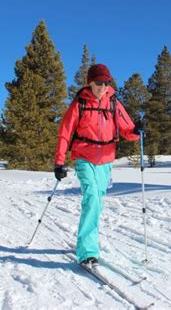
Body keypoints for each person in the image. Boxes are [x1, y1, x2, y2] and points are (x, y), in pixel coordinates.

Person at [54, 64, 141, 268]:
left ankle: (86, 240)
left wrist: (138, 130)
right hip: (84, 157)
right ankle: (87, 252)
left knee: (97, 202)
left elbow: (128, 130)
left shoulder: (114, 103)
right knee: (92, 197)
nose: (103, 86)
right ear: (90, 82)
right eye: (99, 82)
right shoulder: (79, 104)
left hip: (106, 161)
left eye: (106, 82)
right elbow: (65, 133)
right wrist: (59, 161)